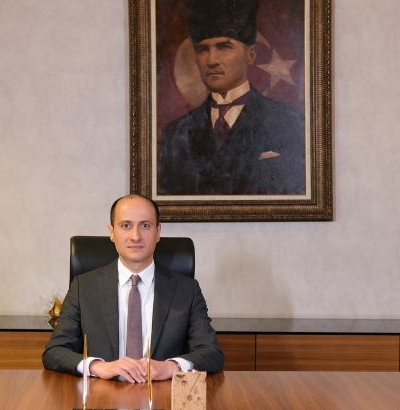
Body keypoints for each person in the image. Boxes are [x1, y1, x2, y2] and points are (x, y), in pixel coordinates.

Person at [42, 194, 224, 382]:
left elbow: (211, 352)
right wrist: (98, 366)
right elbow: (55, 351)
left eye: (145, 225)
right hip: (103, 393)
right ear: (112, 232)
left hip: (161, 393)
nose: (135, 236)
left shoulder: (187, 290)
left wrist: (171, 367)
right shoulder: (83, 287)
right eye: (126, 225)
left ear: (158, 232)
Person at [157, 0, 306, 195]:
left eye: (224, 47)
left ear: (250, 55)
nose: (212, 60)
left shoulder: (288, 123)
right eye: (203, 49)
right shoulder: (176, 134)